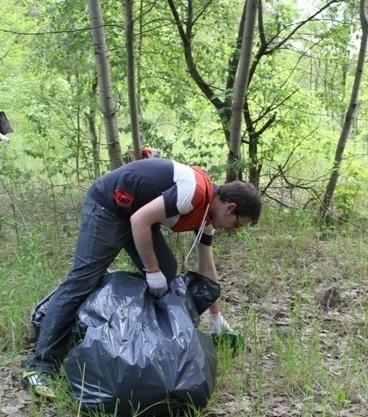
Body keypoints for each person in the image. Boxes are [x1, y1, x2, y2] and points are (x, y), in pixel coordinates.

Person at [21, 159, 263, 399]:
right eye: (237, 225)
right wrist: (151, 271)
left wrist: (216, 317)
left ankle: (124, 332)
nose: (232, 230)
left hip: (135, 215)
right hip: (107, 206)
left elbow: (207, 268)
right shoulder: (193, 192)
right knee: (82, 280)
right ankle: (39, 367)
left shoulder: (206, 221)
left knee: (168, 270)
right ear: (229, 208)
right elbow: (139, 220)